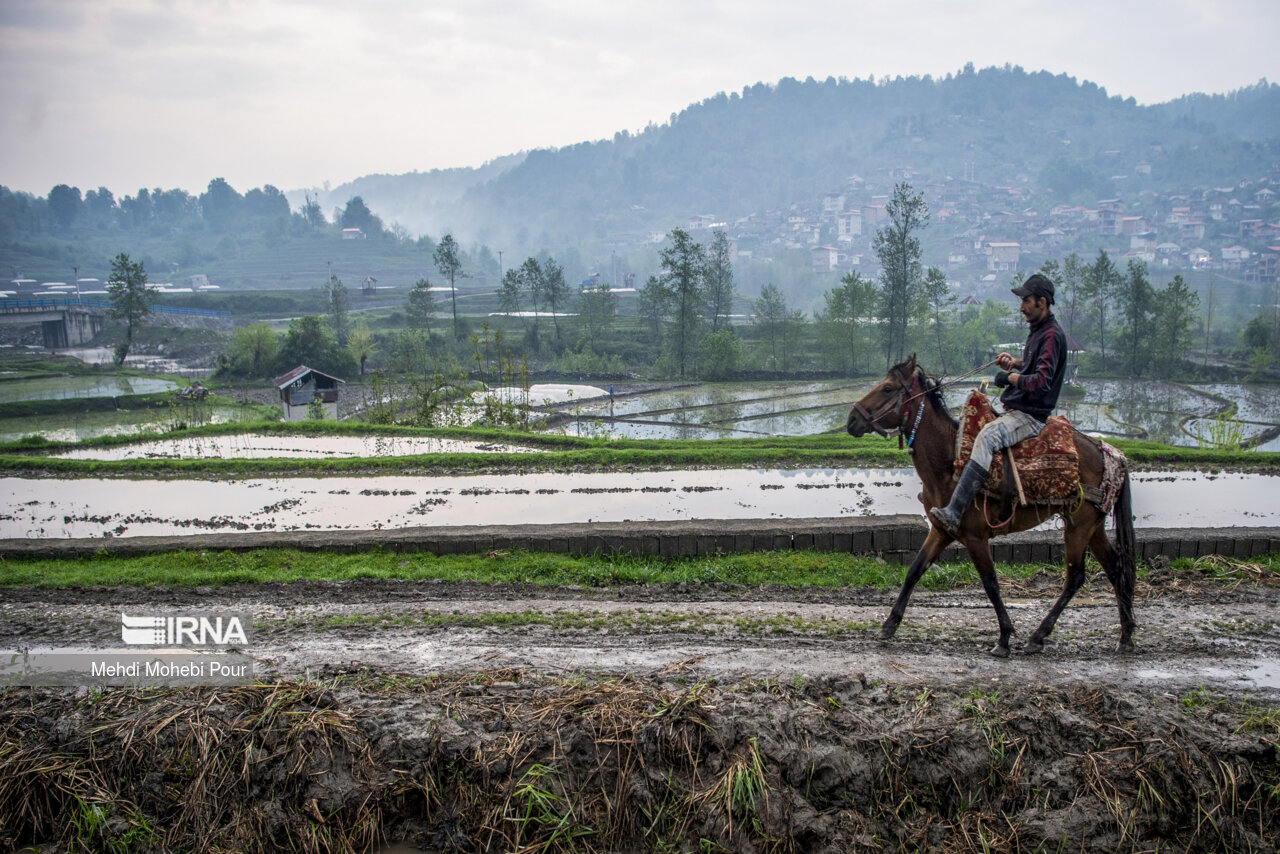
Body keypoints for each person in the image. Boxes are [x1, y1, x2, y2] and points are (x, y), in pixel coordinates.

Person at [929, 273, 1068, 537]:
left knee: (986, 438)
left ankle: (955, 511)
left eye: (1026, 301)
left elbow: (1041, 381)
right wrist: (1015, 362)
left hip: (1029, 416)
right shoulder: (1039, 332)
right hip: (1018, 409)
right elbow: (1033, 365)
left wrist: (1009, 378)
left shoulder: (1051, 335)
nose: (1021, 307)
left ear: (1042, 302)